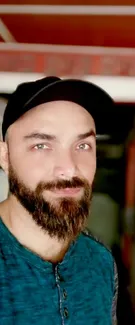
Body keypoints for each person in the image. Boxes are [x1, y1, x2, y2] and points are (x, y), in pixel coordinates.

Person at [0, 76, 118, 325]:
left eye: (83, 146)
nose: (69, 168)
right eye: (42, 145)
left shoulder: (100, 261)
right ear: (5, 157)